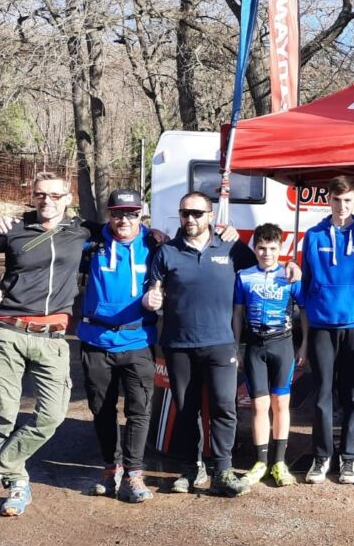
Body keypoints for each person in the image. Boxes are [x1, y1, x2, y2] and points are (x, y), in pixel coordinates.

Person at [0, 172, 94, 516]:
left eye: (55, 195)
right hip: (7, 332)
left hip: (52, 337)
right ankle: (16, 483)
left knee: (52, 415)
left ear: (68, 199)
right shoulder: (12, 228)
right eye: (40, 195)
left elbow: (126, 230)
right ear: (33, 197)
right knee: (3, 415)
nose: (47, 201)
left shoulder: (82, 230)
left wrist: (158, 234)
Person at [143, 191, 256, 498]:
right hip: (179, 344)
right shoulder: (167, 252)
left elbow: (263, 267)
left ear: (210, 215)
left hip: (221, 343)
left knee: (224, 407)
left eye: (196, 213)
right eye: (185, 213)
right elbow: (154, 288)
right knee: (186, 409)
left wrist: (291, 271)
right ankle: (190, 469)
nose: (190, 218)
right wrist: (152, 298)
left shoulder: (231, 247)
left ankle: (222, 471)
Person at [77, 189, 159, 503]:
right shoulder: (92, 243)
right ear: (108, 215)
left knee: (139, 410)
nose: (124, 220)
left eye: (131, 214)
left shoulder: (155, 245)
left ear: (141, 215)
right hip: (96, 340)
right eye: (117, 213)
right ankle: (111, 469)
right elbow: (54, 233)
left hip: (138, 340)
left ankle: (134, 474)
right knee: (102, 410)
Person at [301, 176, 354, 485]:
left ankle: (349, 457)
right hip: (321, 324)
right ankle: (321, 457)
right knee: (321, 394)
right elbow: (305, 281)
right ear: (328, 200)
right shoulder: (313, 235)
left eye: (347, 200)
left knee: (352, 396)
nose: (342, 206)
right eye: (336, 199)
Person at [233, 224, 308, 488]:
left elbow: (304, 311)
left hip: (282, 345)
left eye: (272, 248)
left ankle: (279, 462)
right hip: (255, 346)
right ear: (254, 249)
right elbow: (237, 314)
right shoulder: (244, 277)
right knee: (259, 405)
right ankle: (261, 462)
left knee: (281, 403)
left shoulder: (289, 275)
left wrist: (304, 344)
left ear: (280, 248)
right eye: (262, 248)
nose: (267, 253)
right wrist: (235, 346)